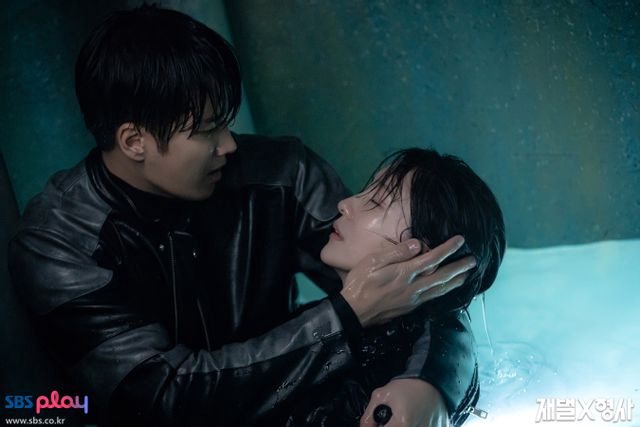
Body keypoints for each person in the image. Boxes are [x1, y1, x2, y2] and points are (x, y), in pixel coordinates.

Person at [8, 5, 479, 426]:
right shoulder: (58, 246)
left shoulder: (282, 173)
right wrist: (346, 316)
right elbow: (160, 399)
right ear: (135, 141)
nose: (230, 144)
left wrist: (430, 382)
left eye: (227, 122)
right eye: (208, 130)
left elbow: (413, 280)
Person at [277, 148, 506, 426]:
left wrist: (430, 383)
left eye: (376, 202)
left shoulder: (380, 393)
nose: (344, 203)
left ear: (428, 259)